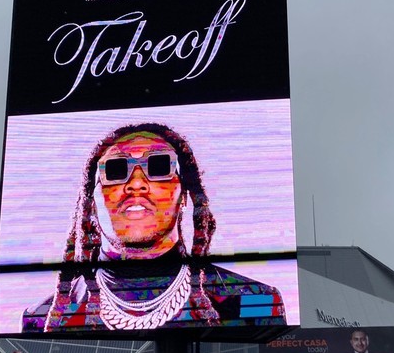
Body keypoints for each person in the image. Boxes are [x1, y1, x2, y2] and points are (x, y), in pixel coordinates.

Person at [21, 122, 286, 332]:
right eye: (115, 169)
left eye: (159, 166)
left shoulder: (254, 302)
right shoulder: (44, 318)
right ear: (92, 201)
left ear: (184, 195)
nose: (137, 183)